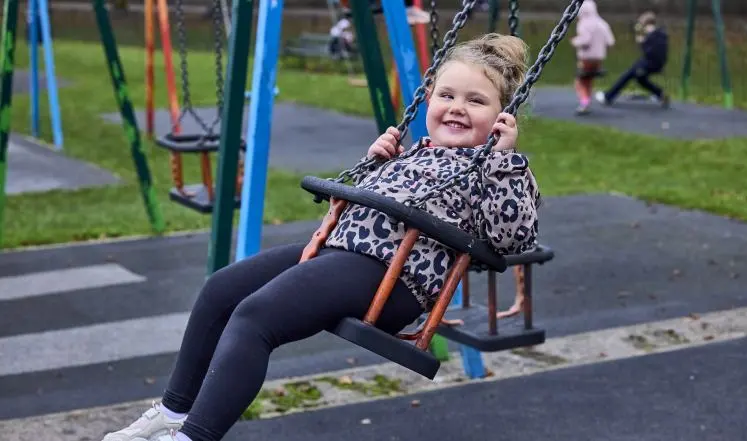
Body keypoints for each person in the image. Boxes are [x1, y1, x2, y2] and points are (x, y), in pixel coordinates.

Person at [102, 33, 541, 441]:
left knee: (257, 317)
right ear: (429, 99)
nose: (457, 107)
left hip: (394, 279)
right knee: (221, 291)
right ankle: (175, 410)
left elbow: (513, 236)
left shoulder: (501, 169)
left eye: (476, 101)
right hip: (340, 254)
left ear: (503, 119)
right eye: (446, 95)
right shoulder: (418, 153)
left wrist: (502, 161)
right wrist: (374, 163)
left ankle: (192, 437)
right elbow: (362, 205)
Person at [596, 11, 670, 108]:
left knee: (628, 75)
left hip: (650, 63)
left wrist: (642, 42)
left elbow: (650, 52)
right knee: (640, 79)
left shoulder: (653, 35)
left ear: (646, 23)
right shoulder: (659, 34)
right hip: (654, 62)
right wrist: (644, 41)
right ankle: (660, 94)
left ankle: (608, 96)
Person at [569, 0, 615, 114]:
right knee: (588, 80)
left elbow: (585, 40)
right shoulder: (602, 23)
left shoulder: (584, 23)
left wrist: (575, 41)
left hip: (586, 58)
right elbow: (610, 41)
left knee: (580, 81)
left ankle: (584, 103)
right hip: (598, 59)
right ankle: (587, 100)